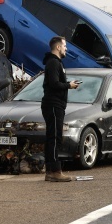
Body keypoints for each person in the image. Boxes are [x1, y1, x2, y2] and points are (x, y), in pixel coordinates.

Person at [42, 36, 80, 182]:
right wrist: (68, 85)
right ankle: (55, 171)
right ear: (58, 47)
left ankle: (51, 170)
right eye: (64, 46)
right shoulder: (53, 63)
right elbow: (53, 84)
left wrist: (68, 84)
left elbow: (56, 83)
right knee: (55, 137)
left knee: (54, 136)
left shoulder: (56, 63)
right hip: (53, 104)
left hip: (57, 104)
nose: (66, 49)